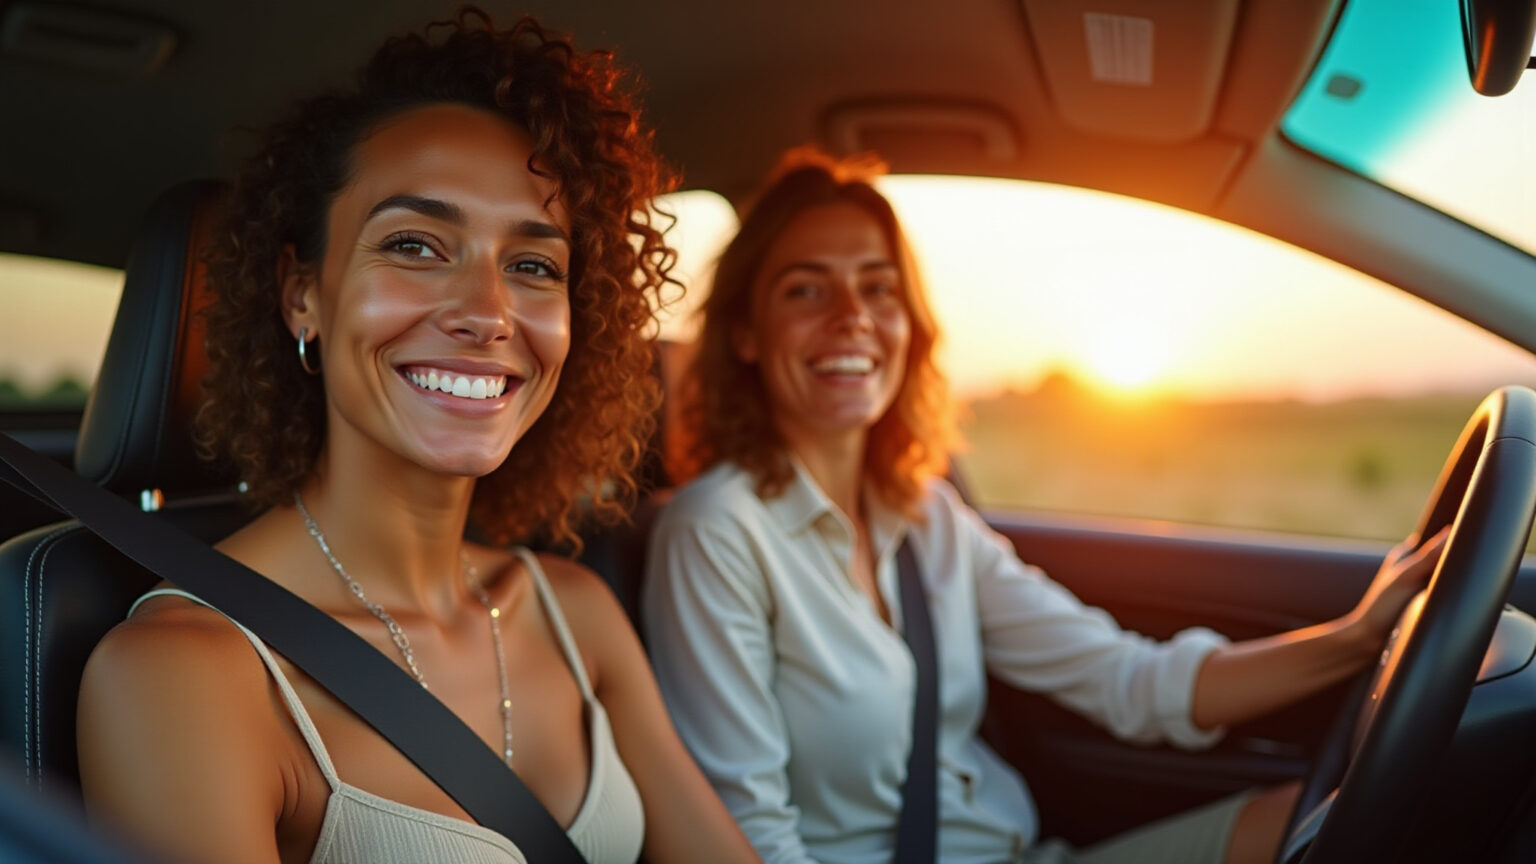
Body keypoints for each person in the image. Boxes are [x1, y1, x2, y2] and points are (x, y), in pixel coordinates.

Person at [76, 11, 760, 864]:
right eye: (414, 245)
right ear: (302, 294)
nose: (487, 312)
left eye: (534, 264)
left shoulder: (574, 611)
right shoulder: (182, 675)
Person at [641, 147, 1449, 864]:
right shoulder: (716, 533)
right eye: (805, 289)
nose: (851, 316)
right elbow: (745, 836)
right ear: (746, 333)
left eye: (877, 288)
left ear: (908, 327)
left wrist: (1359, 637)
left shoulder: (926, 518)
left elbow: (1129, 681)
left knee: (1324, 824)